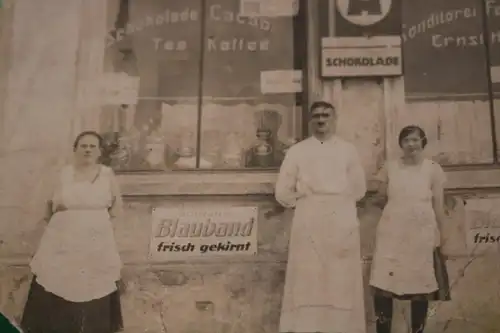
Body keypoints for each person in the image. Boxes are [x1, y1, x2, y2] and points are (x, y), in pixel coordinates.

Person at [275, 101, 367, 333]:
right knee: (309, 276)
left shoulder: (348, 150)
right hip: (310, 218)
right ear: (309, 120)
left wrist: (338, 205)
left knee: (340, 277)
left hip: (340, 216)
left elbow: (359, 188)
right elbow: (282, 191)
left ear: (334, 119)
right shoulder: (298, 151)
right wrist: (305, 200)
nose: (321, 120)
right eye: (316, 116)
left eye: (326, 115)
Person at [21, 131, 124, 333]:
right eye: (83, 146)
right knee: (58, 281)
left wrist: (98, 228)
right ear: (75, 150)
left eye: (92, 146)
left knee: (95, 282)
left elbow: (116, 209)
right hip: (63, 239)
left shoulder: (107, 175)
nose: (87, 150)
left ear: (100, 151)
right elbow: (47, 208)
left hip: (97, 239)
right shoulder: (62, 174)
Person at [369, 125, 451, 333]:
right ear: (401, 144)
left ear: (423, 142)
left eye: (415, 139)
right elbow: (378, 197)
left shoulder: (433, 169)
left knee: (420, 287)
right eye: (406, 140)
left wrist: (444, 237)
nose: (411, 144)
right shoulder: (390, 167)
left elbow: (439, 207)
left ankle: (418, 330)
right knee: (385, 285)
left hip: (421, 234)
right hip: (393, 233)